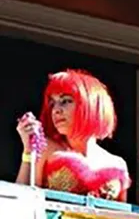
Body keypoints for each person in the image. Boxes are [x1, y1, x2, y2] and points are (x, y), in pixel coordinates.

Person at [15, 69, 130, 201]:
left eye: (65, 101)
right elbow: (21, 202)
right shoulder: (45, 147)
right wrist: (29, 151)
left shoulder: (118, 164)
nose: (56, 110)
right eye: (52, 104)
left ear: (91, 104)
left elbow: (123, 217)